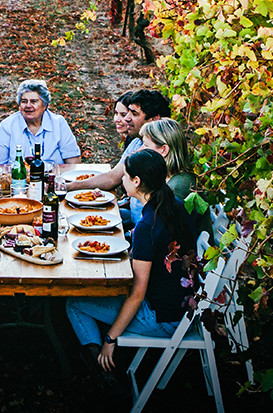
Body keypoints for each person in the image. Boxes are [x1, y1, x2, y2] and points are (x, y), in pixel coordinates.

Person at [66, 149, 196, 377]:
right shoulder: (174, 204)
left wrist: (110, 339)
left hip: (163, 318)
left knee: (75, 304)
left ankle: (102, 373)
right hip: (182, 305)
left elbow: (137, 292)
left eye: (125, 176)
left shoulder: (149, 225)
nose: (122, 180)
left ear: (137, 181)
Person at [66, 89, 171, 192]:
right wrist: (68, 187)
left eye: (134, 114)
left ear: (154, 119)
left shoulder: (160, 150)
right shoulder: (137, 142)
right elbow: (113, 178)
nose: (126, 119)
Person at [135, 117, 213, 239]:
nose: (139, 150)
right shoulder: (172, 178)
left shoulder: (177, 188)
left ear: (164, 150)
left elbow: (157, 236)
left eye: (145, 145)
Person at [0, 79, 82, 166]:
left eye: (34, 101)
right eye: (24, 101)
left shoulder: (58, 123)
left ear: (45, 105)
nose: (28, 106)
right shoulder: (7, 126)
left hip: (52, 178)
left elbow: (73, 161)